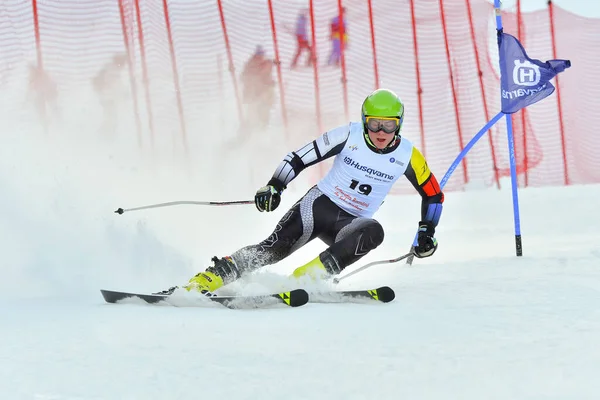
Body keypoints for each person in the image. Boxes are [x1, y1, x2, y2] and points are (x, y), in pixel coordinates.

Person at [185, 88, 443, 295]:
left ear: (399, 124)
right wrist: (275, 184)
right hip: (318, 207)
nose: (380, 132)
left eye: (389, 125)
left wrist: (426, 232)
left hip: (349, 224)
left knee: (374, 231)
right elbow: (298, 158)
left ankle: (305, 279)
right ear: (365, 121)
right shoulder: (348, 135)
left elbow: (433, 194)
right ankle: (211, 277)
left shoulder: (408, 155)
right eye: (374, 124)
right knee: (272, 250)